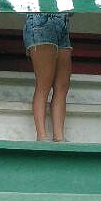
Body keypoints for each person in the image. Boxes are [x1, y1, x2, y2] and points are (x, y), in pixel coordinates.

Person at [24, 13, 73, 141]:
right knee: (44, 84)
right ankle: (42, 136)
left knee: (62, 86)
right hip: (40, 18)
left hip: (62, 20)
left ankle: (59, 137)